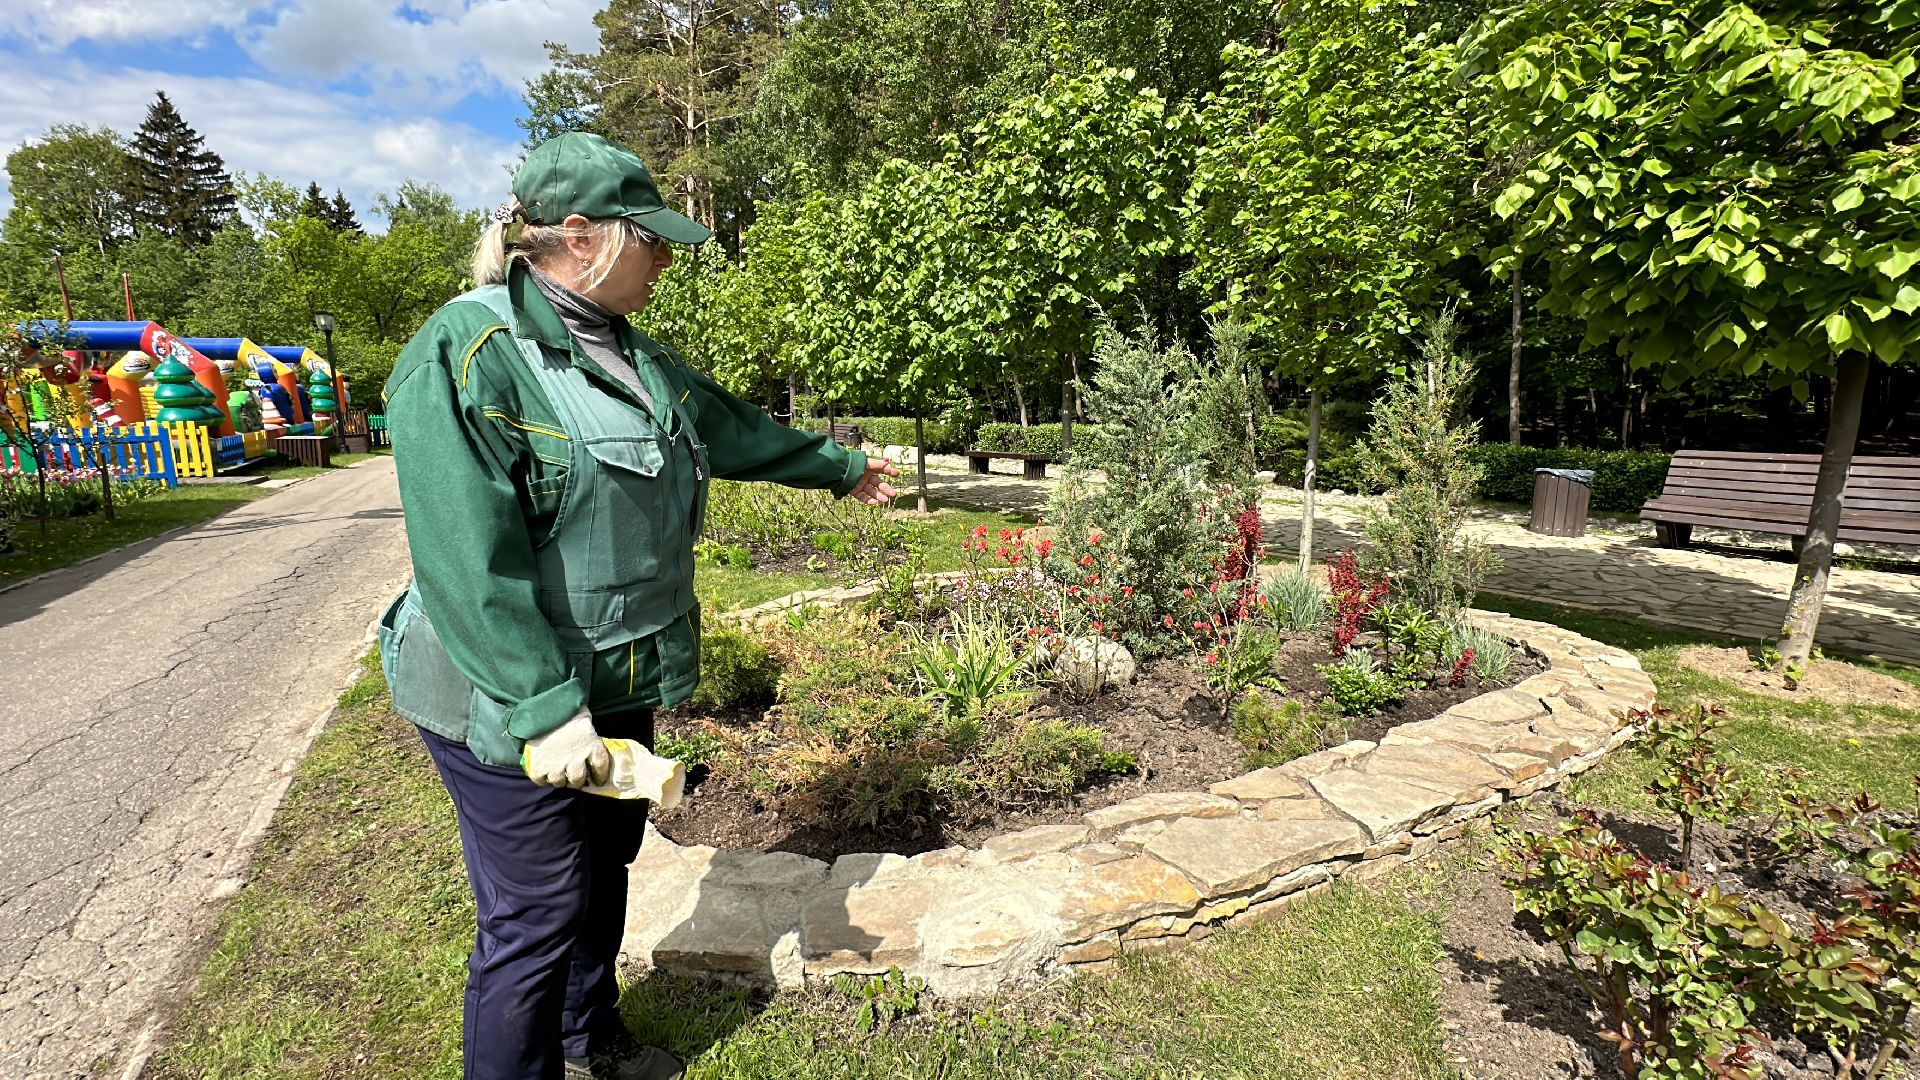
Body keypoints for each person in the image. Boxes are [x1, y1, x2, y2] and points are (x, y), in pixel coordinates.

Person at [380, 131, 898, 1080]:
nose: (664, 259)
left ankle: (590, 1040)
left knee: (604, 861)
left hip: (613, 673)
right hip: (505, 690)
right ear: (581, 236)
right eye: (650, 239)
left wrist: (841, 468)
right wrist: (546, 711)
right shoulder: (467, 353)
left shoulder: (630, 353)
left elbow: (724, 423)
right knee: (537, 907)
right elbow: (467, 563)